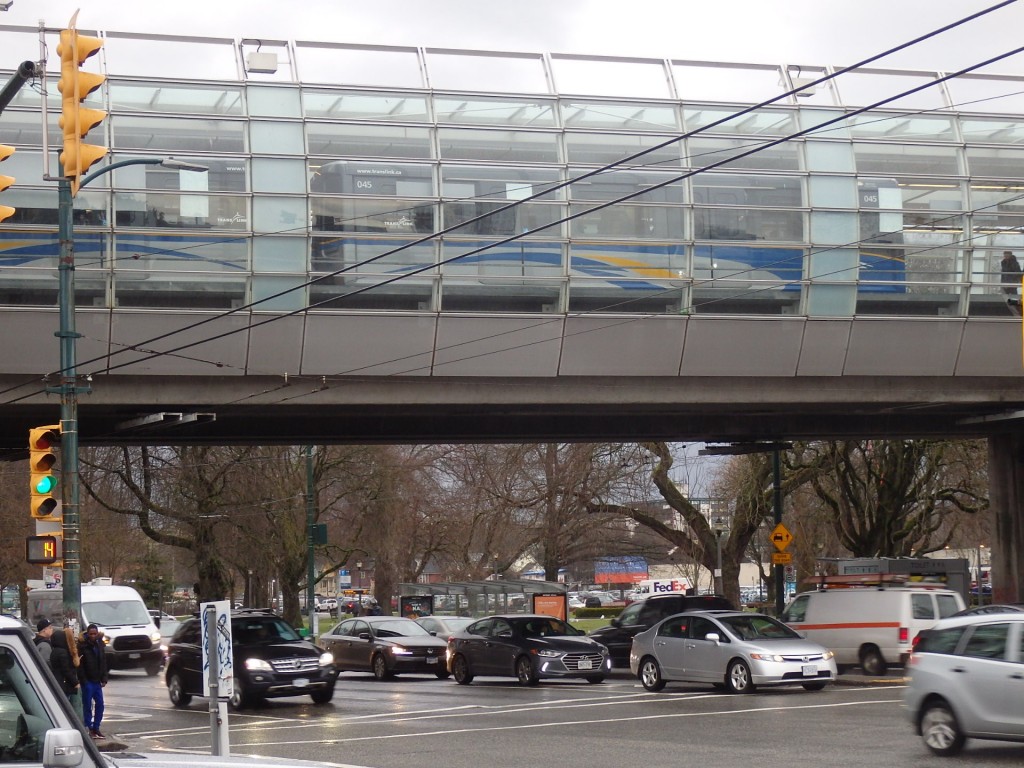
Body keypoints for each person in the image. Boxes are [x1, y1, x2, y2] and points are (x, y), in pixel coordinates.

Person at [78, 624, 109, 740]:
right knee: (87, 705)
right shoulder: (83, 646)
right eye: (91, 634)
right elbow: (80, 665)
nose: (93, 636)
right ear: (87, 633)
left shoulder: (99, 645)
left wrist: (104, 678)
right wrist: (84, 680)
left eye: (94, 634)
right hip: (88, 681)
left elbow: (103, 662)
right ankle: (89, 727)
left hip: (96, 681)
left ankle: (96, 727)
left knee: (100, 704)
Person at [50, 627, 83, 723]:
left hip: (58, 681)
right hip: (65, 683)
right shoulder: (63, 652)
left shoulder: (54, 651)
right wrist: (75, 682)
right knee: (67, 706)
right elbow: (66, 670)